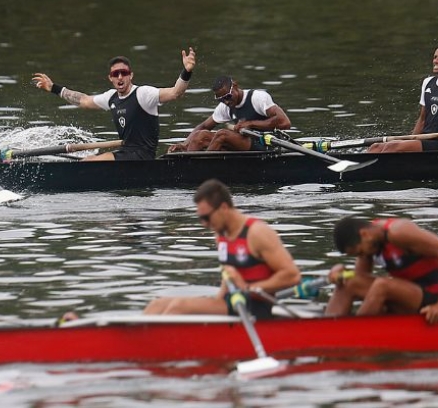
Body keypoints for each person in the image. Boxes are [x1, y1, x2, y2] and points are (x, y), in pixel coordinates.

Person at [143, 179, 300, 319]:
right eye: (200, 219)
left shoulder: (257, 233)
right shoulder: (220, 235)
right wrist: (216, 302)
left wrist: (249, 288)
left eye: (206, 218)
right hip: (232, 303)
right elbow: (228, 276)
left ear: (224, 208)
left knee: (178, 307)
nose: (204, 224)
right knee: (157, 305)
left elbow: (292, 276)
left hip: (255, 308)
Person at [31, 47, 196, 160]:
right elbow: (84, 101)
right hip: (126, 153)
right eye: (115, 74)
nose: (119, 77)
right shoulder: (111, 98)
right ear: (110, 78)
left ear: (131, 75)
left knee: (89, 162)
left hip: (142, 156)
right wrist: (54, 88)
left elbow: (176, 93)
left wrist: (186, 71)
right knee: (88, 160)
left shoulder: (143, 94)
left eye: (123, 73)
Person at [325, 215, 438, 325]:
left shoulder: (398, 232)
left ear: (364, 234)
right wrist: (339, 272)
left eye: (359, 252)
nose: (361, 256)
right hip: (410, 297)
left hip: (435, 298)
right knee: (348, 282)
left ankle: (355, 334)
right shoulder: (369, 243)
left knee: (382, 285)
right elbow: (358, 280)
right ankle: (327, 331)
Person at [168, 75, 291, 152]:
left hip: (265, 144)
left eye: (228, 96)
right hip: (244, 143)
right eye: (221, 99)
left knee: (222, 134)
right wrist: (185, 144)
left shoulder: (258, 98)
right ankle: (187, 165)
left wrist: (251, 124)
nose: (225, 101)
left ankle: (201, 168)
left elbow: (285, 123)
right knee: (200, 136)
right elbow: (204, 126)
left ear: (235, 86)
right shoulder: (225, 106)